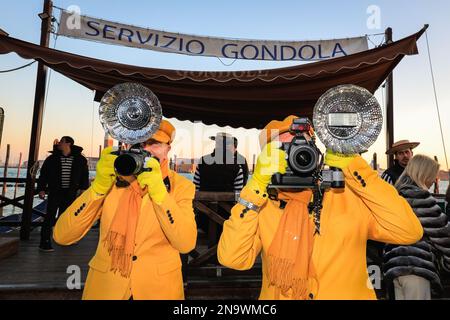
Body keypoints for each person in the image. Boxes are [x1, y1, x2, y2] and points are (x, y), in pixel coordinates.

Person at [217, 115, 423, 300]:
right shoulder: (260, 207)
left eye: (302, 150)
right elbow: (232, 258)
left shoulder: (349, 195)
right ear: (266, 161)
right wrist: (254, 187)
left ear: (316, 153)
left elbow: (408, 231)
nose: (293, 158)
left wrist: (354, 166)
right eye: (282, 151)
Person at [53, 120, 197, 300]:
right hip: (106, 288)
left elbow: (186, 243)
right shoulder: (112, 181)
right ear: (128, 145)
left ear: (168, 148)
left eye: (154, 143)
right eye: (140, 144)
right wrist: (98, 187)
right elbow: (62, 235)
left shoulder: (182, 186)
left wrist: (159, 192)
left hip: (158, 289)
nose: (146, 151)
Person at [383, 155, 450, 300]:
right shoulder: (422, 199)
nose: (433, 180)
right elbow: (444, 237)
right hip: (417, 268)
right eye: (433, 176)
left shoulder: (395, 196)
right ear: (424, 174)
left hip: (395, 267)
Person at [37, 136, 89, 252]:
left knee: (66, 218)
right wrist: (41, 189)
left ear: (68, 144)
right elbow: (43, 175)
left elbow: (84, 176)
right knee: (49, 217)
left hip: (70, 193)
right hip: (55, 192)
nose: (59, 143)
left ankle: (65, 239)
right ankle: (44, 242)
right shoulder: (51, 159)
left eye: (61, 142)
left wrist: (83, 189)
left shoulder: (80, 159)